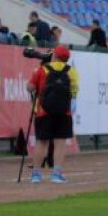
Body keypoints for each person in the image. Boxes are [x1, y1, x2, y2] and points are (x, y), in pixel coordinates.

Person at [28, 45, 80, 184]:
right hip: (64, 111)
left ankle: (36, 175)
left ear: (55, 55)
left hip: (43, 111)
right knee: (60, 143)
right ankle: (56, 174)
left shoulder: (42, 69)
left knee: (41, 142)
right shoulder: (71, 71)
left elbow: (30, 87)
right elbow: (74, 91)